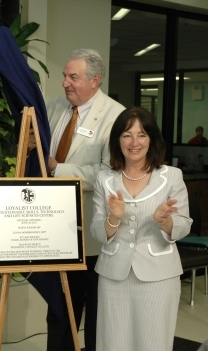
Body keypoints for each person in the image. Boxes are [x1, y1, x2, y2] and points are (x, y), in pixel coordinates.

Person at [27, 48, 125, 351]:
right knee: (59, 312)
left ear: (95, 80)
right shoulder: (54, 107)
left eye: (73, 77)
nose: (65, 83)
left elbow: (111, 174)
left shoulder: (116, 116)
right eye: (64, 76)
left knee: (96, 315)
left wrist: (59, 169)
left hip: (93, 236)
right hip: (56, 234)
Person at [90, 106, 192, 350]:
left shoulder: (172, 176)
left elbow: (184, 224)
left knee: (154, 341)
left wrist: (165, 221)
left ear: (152, 140)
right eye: (127, 135)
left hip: (158, 276)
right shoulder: (105, 179)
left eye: (142, 135)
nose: (134, 142)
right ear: (118, 140)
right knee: (113, 342)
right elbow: (96, 230)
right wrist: (114, 218)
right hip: (114, 275)